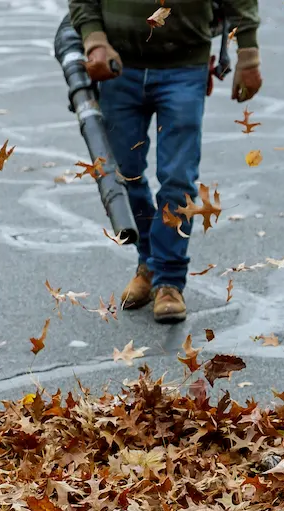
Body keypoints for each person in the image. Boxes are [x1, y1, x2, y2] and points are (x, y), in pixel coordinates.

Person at [69, 0, 261, 324]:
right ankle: (149, 263)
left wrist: (248, 55)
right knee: (124, 175)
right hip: (119, 68)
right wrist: (95, 41)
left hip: (185, 68)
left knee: (178, 178)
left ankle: (169, 280)